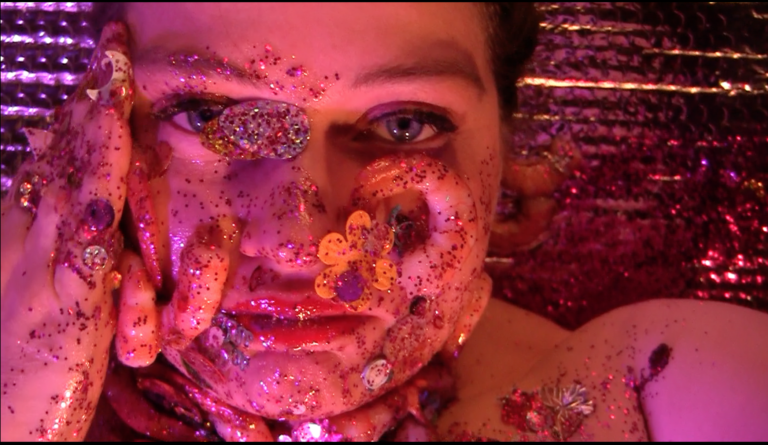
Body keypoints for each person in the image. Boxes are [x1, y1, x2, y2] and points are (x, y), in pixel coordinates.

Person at [1, 2, 767, 442]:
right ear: (91, 134)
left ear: (505, 153)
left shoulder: (657, 389)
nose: (302, 242)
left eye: (405, 123)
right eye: (208, 114)